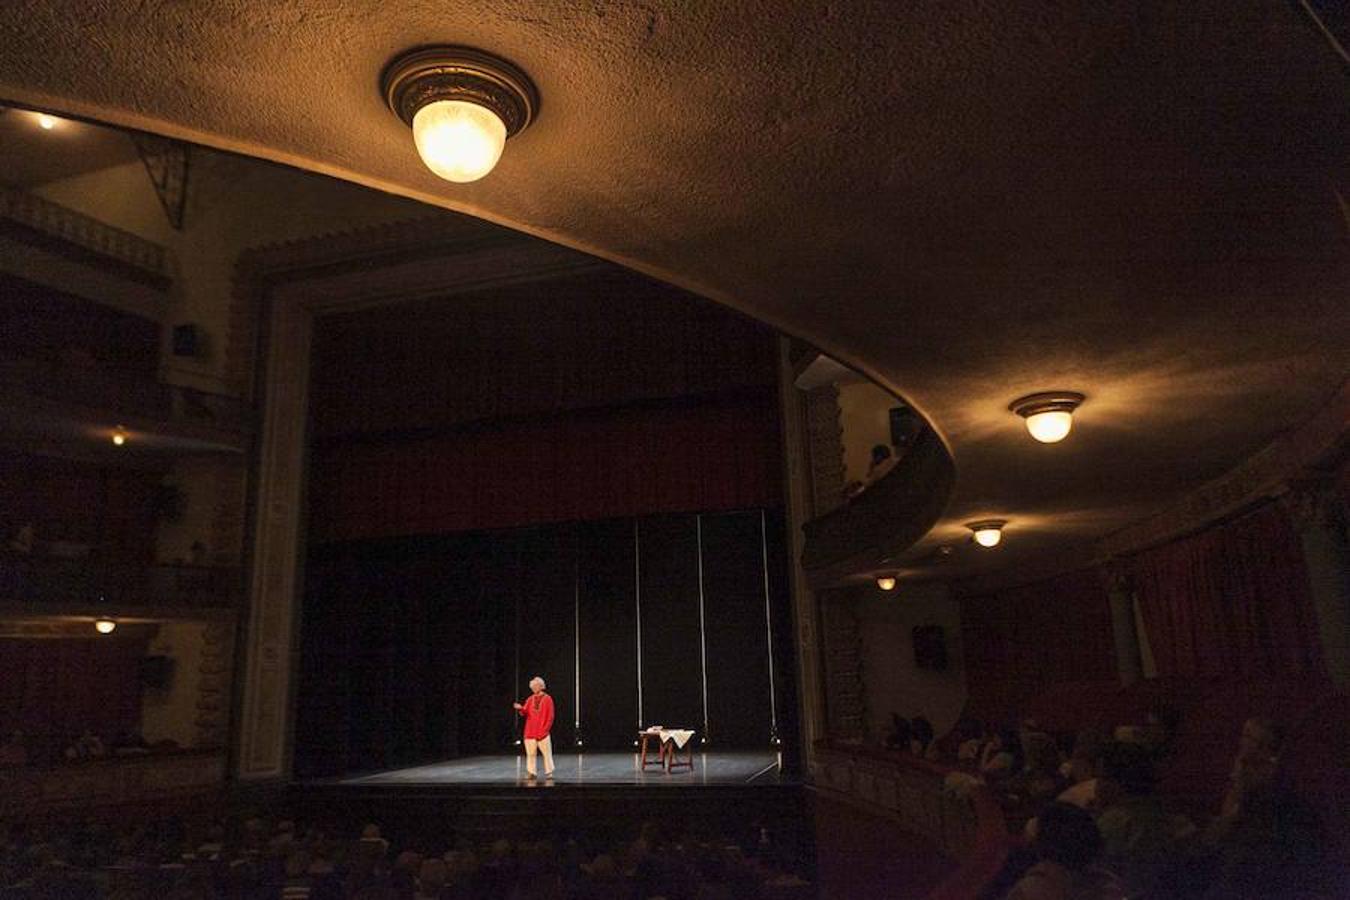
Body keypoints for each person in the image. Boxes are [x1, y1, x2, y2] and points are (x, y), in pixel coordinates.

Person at [513, 676, 555, 779]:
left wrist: (545, 729)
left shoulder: (547, 699)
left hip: (542, 731)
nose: (532, 688)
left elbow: (551, 716)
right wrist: (520, 708)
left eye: (534, 686)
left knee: (547, 753)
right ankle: (532, 772)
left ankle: (549, 773)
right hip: (530, 731)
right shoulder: (530, 699)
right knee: (531, 754)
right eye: (532, 687)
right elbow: (525, 712)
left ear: (540, 686)